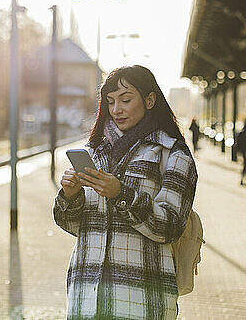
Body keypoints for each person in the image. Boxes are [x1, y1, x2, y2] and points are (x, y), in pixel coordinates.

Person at [52, 65, 198, 319]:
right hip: (87, 296)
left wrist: (121, 194)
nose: (116, 109)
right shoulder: (95, 151)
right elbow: (75, 227)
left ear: (149, 100)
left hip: (140, 300)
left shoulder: (173, 154)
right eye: (110, 102)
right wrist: (71, 196)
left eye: (126, 99)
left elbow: (171, 227)